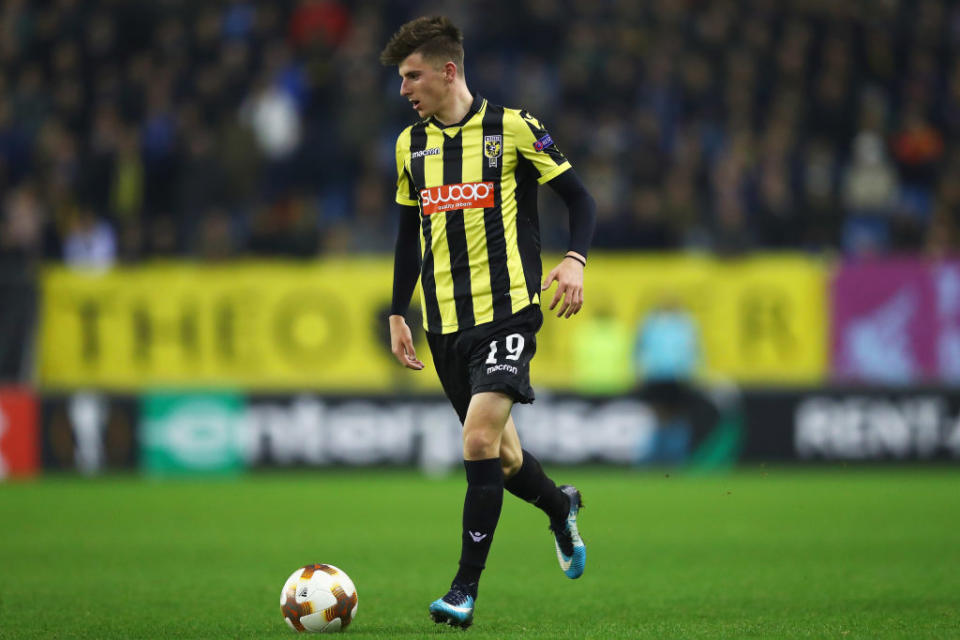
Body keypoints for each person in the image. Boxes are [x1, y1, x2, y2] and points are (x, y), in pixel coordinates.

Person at [380, 16, 597, 629]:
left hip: (508, 315)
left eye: (412, 76)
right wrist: (400, 311)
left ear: (448, 70)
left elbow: (581, 199)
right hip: (444, 326)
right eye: (401, 79)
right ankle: (560, 505)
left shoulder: (516, 128)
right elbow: (406, 237)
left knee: (475, 441)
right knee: (500, 460)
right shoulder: (409, 146)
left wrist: (575, 259)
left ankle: (463, 589)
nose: (404, 90)